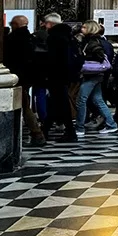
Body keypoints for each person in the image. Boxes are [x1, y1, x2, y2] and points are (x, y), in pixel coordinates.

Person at [4, 15, 45, 147]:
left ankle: (37, 134)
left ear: (15, 24)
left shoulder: (13, 39)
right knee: (25, 104)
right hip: (27, 78)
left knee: (25, 106)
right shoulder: (31, 38)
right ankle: (35, 133)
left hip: (16, 77)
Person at [75, 21, 118, 137]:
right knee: (98, 99)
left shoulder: (92, 42)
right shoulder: (90, 41)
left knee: (81, 100)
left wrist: (86, 58)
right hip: (95, 75)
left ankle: (79, 127)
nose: (82, 29)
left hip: (93, 75)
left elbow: (99, 56)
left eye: (84, 27)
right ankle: (112, 124)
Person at [44, 13, 80, 143]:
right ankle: (45, 131)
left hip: (57, 75)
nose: (44, 25)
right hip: (67, 75)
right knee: (57, 103)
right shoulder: (69, 37)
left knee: (59, 103)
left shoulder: (54, 38)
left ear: (51, 24)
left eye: (46, 23)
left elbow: (53, 59)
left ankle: (68, 132)